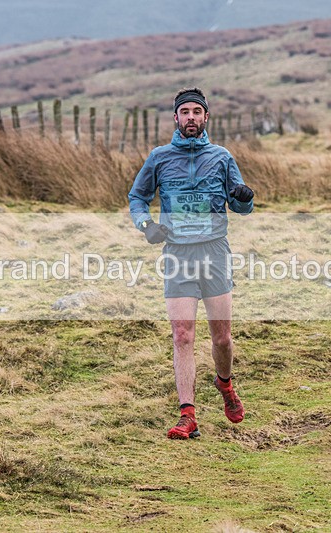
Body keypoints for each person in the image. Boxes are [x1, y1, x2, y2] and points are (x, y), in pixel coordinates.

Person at [128, 87, 254, 439]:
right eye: (185, 112)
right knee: (182, 335)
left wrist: (244, 199)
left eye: (197, 112)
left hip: (214, 252)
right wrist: (147, 226)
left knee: (222, 338)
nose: (191, 117)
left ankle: (225, 384)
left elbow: (241, 204)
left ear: (206, 117)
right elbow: (137, 197)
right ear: (176, 118)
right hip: (178, 254)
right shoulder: (159, 158)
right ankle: (188, 415)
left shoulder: (222, 157)